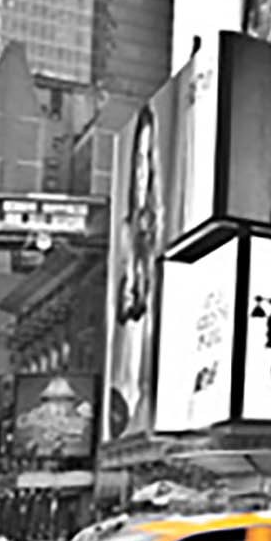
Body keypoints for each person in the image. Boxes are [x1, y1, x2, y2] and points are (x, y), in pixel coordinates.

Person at [108, 103, 161, 440]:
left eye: (147, 157)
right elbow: (126, 309)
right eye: (138, 159)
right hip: (131, 349)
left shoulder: (155, 230)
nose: (142, 170)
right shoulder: (128, 233)